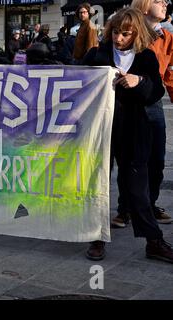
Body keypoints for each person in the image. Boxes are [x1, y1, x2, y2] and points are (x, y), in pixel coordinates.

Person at [83, 7, 173, 263]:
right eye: (116, 32)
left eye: (126, 34)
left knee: (138, 187)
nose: (119, 38)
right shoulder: (97, 54)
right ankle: (97, 237)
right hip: (100, 129)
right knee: (98, 183)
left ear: (137, 34)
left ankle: (153, 241)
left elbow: (156, 91)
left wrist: (139, 82)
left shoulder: (145, 57)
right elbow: (76, 80)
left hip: (134, 130)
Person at [126, 0, 173, 226]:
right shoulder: (130, 32)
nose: (164, 3)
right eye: (158, 0)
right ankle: (125, 208)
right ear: (144, 6)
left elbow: (170, 74)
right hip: (128, 104)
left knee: (157, 158)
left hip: (153, 104)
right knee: (130, 158)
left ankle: (150, 204)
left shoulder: (167, 37)